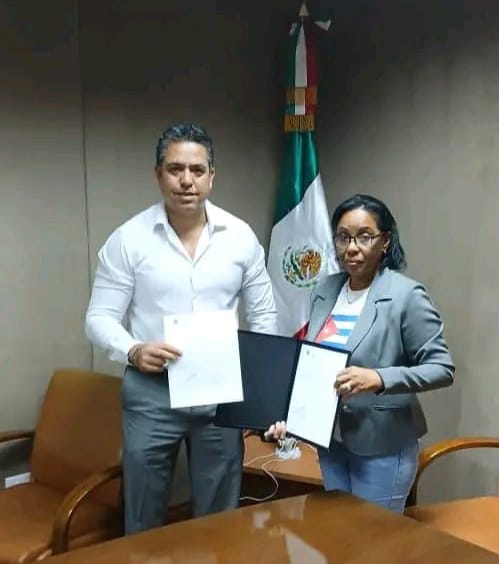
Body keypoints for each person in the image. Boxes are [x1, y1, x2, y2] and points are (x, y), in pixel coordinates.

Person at [85, 122, 277, 534]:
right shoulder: (128, 239)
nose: (186, 180)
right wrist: (134, 349)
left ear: (212, 176)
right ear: (159, 175)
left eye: (196, 169)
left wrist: (261, 392)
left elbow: (264, 318)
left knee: (219, 514)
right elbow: (98, 317)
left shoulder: (240, 237)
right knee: (143, 512)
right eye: (175, 169)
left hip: (220, 393)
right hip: (152, 391)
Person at [267, 194, 454, 512]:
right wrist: (293, 417)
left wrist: (379, 378)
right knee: (341, 527)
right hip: (332, 439)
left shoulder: (406, 295)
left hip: (382, 443)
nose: (351, 247)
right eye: (343, 237)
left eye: (364, 237)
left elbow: (442, 368)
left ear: (385, 241)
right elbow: (314, 361)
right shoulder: (325, 289)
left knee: (373, 536)